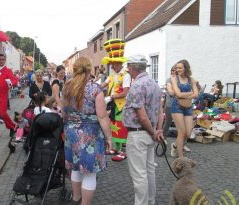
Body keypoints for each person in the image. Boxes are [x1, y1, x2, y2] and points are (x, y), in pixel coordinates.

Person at [62, 57, 112, 205]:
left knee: (76, 169)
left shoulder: (67, 86)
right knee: (89, 173)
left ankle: (76, 199)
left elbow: (64, 112)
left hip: (71, 132)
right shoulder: (95, 89)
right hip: (89, 134)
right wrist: (109, 137)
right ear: (90, 70)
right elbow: (102, 116)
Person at [122, 55, 164, 205]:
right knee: (149, 170)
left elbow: (142, 116)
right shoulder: (154, 83)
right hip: (149, 134)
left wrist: (155, 132)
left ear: (132, 67)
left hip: (138, 133)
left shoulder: (137, 85)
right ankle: (150, 201)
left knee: (140, 175)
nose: (127, 69)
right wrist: (158, 131)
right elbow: (160, 110)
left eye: (128, 67)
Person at [101, 38, 131, 161]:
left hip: (122, 105)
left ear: (119, 63)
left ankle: (124, 151)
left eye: (114, 63)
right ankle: (115, 148)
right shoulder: (113, 74)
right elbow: (104, 84)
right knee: (114, 124)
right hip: (113, 103)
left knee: (122, 126)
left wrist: (110, 97)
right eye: (111, 63)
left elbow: (125, 92)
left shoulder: (126, 75)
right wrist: (92, 86)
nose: (112, 65)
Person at [170, 60, 198, 158]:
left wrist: (183, 95)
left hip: (188, 107)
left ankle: (174, 145)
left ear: (186, 68)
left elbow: (196, 94)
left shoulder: (191, 80)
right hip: (176, 106)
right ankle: (181, 157)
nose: (178, 70)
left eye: (180, 68)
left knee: (188, 133)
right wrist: (190, 93)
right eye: (177, 68)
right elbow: (178, 94)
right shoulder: (174, 79)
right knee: (181, 132)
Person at [162, 66, 177, 142]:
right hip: (170, 104)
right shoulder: (169, 80)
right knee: (168, 121)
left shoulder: (180, 80)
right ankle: (164, 137)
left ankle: (182, 142)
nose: (173, 72)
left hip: (179, 104)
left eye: (174, 70)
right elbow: (171, 93)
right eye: (172, 70)